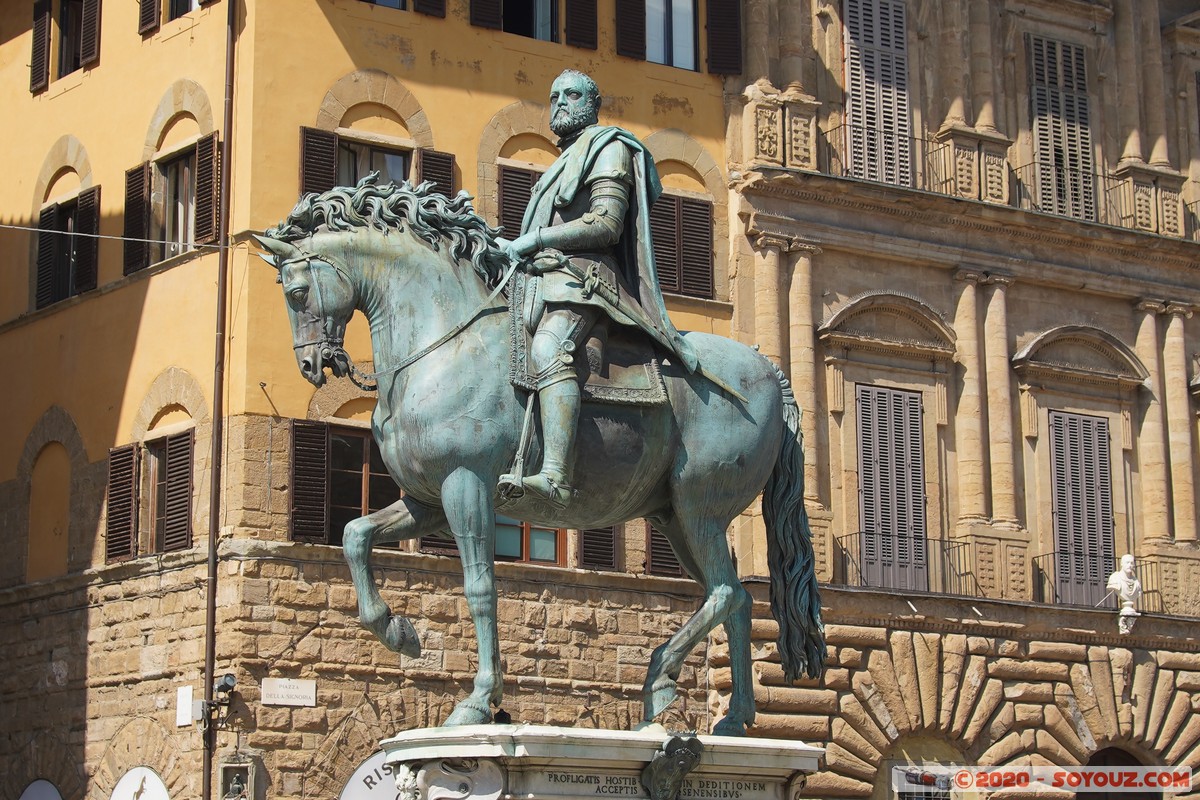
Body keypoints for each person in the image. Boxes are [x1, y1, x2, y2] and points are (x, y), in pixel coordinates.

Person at [498, 69, 698, 507]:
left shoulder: (609, 147)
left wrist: (539, 239)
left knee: (550, 348)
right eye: (554, 96)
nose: (560, 103)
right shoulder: (559, 164)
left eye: (571, 94)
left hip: (585, 282)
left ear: (592, 102)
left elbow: (606, 224)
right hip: (542, 279)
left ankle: (555, 475)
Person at [1106, 553, 1142, 634]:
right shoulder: (1115, 578)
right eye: (1127, 562)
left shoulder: (1137, 583)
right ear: (1122, 564)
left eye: (1131, 563)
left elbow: (1139, 591)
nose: (1129, 565)